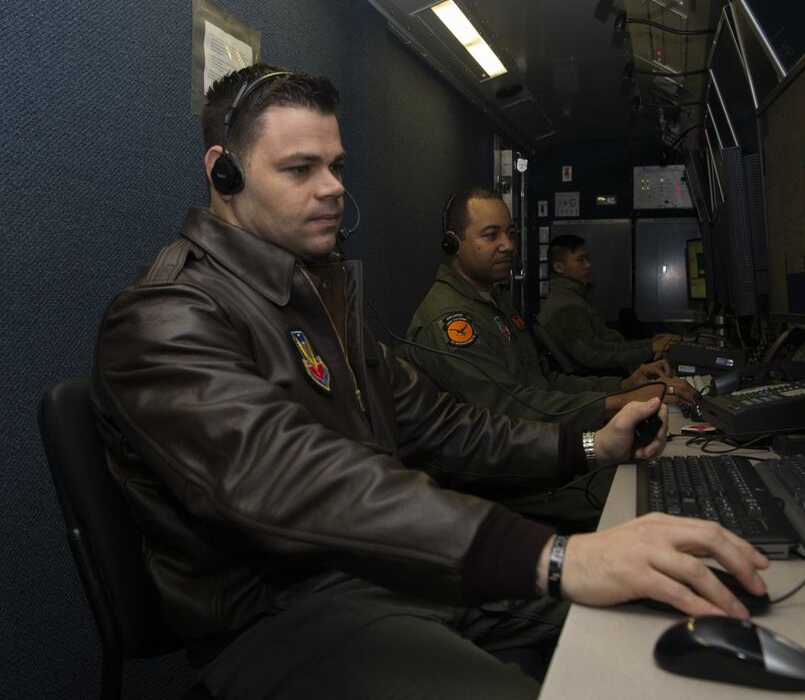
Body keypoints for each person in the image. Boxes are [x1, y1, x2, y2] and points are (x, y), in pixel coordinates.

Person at [90, 64, 768, 700]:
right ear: (225, 172)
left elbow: (443, 425)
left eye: (336, 166)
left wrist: (591, 445)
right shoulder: (164, 316)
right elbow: (291, 481)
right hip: (281, 615)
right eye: (300, 168)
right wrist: (557, 557)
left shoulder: (317, 299)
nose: (332, 187)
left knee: (656, 613)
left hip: (387, 574)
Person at [403, 188, 694, 432]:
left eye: (511, 233)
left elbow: (544, 383)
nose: (507, 245)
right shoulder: (449, 321)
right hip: (502, 475)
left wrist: (623, 385)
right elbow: (508, 408)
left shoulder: (493, 303)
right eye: (491, 235)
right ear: (453, 243)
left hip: (533, 445)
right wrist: (619, 401)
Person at [537, 234, 682, 376]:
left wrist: (651, 344)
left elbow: (606, 346)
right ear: (559, 267)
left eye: (587, 258)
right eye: (580, 260)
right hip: (600, 381)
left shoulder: (574, 299)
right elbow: (594, 356)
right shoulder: (566, 308)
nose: (588, 265)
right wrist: (650, 349)